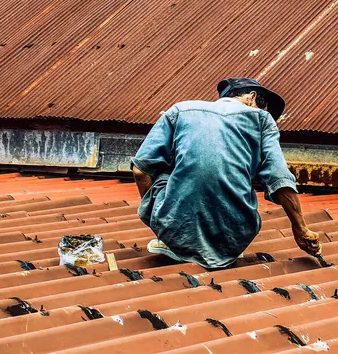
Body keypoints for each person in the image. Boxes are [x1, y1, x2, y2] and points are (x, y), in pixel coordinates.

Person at [131, 77, 321, 270]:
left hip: (174, 227)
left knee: (163, 167)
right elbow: (278, 176)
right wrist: (300, 228)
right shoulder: (262, 120)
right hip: (235, 234)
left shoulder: (180, 110)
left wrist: (161, 222)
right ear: (251, 97)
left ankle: (170, 240)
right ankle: (215, 246)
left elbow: (140, 170)